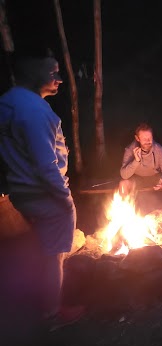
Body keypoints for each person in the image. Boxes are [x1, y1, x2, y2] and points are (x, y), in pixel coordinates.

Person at [0, 47, 83, 327]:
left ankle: (37, 299)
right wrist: (65, 199)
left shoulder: (8, 102)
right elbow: (45, 164)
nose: (59, 78)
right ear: (32, 72)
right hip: (44, 194)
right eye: (52, 72)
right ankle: (52, 311)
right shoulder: (34, 111)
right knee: (54, 256)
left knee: (41, 247)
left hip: (23, 192)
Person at [120, 123, 162, 214]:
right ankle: (124, 216)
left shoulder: (158, 148)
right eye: (144, 139)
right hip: (137, 179)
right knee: (123, 184)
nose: (148, 141)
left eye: (150, 138)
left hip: (155, 178)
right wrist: (136, 161)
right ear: (137, 138)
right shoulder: (130, 150)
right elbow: (124, 175)